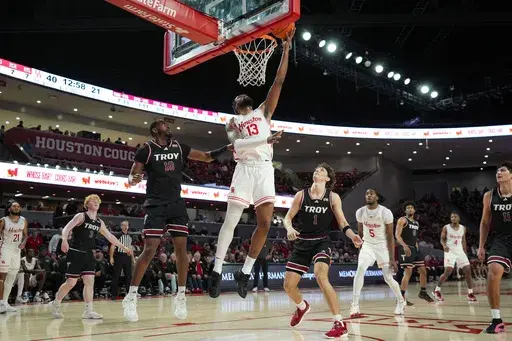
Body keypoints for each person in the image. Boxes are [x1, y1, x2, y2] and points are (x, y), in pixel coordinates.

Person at [209, 27, 296, 299]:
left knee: (266, 224)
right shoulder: (232, 122)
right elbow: (238, 145)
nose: (240, 97)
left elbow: (278, 82)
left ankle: (244, 272)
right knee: (232, 221)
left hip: (264, 172)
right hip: (244, 171)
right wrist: (266, 142)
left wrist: (286, 50)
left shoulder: (264, 112)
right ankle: (216, 270)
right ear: (235, 106)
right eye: (235, 98)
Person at [123, 119, 232, 322]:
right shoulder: (146, 149)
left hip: (176, 204)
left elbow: (207, 157)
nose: (168, 127)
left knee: (182, 251)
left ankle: (180, 296)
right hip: (155, 205)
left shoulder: (179, 147)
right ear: (155, 130)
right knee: (150, 250)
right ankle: (130, 297)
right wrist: (133, 179)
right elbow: (132, 176)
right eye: (164, 125)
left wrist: (225, 148)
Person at [283, 163, 363, 338]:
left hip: (321, 242)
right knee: (288, 286)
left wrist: (353, 236)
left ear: (327, 179)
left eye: (321, 170)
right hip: (302, 242)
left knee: (321, 276)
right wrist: (289, 228)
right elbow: (287, 218)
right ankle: (302, 307)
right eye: (316, 169)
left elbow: (342, 222)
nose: (316, 171)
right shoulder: (301, 195)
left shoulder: (333, 197)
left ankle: (339, 323)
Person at [49, 194, 132, 319]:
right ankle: (56, 303)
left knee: (89, 281)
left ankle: (89, 310)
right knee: (71, 282)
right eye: (92, 201)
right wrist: (64, 239)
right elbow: (67, 228)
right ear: (86, 205)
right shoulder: (81, 216)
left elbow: (110, 237)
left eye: (97, 201)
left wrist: (124, 247)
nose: (95, 202)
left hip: (89, 253)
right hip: (76, 251)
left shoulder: (99, 222)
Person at [350, 189, 406, 317]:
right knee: (360, 270)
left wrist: (392, 259)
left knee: (388, 278)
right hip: (368, 245)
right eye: (366, 194)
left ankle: (401, 301)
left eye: (371, 193)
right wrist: (360, 246)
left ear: (377, 197)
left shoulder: (385, 212)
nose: (368, 195)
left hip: (382, 246)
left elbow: (390, 236)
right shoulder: (360, 212)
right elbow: (360, 232)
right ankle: (354, 305)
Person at [478, 161, 512, 334]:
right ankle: (496, 319)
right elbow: (485, 222)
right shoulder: (489, 196)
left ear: (511, 175)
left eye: (503, 170)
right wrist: (481, 246)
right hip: (501, 239)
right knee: (493, 270)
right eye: (497, 171)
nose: (499, 173)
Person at [432, 212, 477, 303]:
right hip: (450, 251)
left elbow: (463, 241)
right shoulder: (446, 227)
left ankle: (470, 293)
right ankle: (436, 290)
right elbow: (442, 239)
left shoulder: (463, 228)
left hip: (460, 251)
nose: (453, 218)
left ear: (459, 218)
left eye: (455, 216)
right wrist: (444, 246)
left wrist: (465, 253)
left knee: (468, 270)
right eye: (452, 217)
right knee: (448, 271)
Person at [395, 201, 434, 305]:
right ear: (405, 210)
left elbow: (414, 237)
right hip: (405, 248)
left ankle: (423, 292)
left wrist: (416, 248)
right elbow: (397, 236)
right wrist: (405, 246)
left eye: (412, 208)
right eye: (408, 208)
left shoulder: (416, 223)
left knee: (423, 271)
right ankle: (401, 297)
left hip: (414, 249)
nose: (410, 209)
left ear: (415, 210)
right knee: (408, 272)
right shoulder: (402, 220)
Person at [0, 200, 27, 313]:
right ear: (9, 208)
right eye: (14, 206)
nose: (17, 208)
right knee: (2, 277)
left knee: (12, 276)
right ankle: (0, 303)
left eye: (18, 206)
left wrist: (24, 242)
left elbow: (25, 234)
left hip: (16, 250)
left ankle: (5, 303)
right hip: (5, 249)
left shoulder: (23, 220)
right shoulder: (3, 221)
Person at [110, 220, 134, 299]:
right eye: (124, 225)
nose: (125, 227)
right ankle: (113, 294)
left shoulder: (131, 236)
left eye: (127, 225)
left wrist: (133, 259)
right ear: (121, 226)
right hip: (119, 256)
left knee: (128, 276)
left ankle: (129, 294)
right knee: (116, 275)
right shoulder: (118, 235)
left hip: (127, 257)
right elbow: (113, 246)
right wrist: (111, 257)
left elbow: (130, 248)